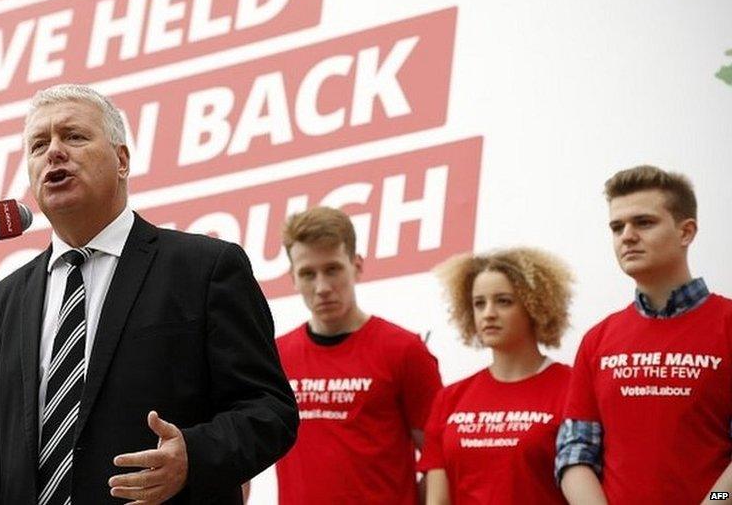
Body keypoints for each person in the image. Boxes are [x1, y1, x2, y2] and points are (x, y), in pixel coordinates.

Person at [0, 84, 298, 504]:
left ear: (121, 160)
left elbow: (268, 409)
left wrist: (194, 456)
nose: (54, 153)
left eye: (74, 136)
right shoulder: (4, 300)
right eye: (38, 145)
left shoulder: (203, 268)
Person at [557, 165, 732, 504]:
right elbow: (575, 450)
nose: (627, 236)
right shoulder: (598, 339)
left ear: (686, 232)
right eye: (616, 227)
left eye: (644, 222)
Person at [273, 206, 442, 504]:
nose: (322, 287)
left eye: (333, 269)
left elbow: (440, 459)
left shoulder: (403, 349)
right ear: (293, 278)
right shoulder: (276, 356)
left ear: (357, 265)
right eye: (308, 273)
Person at [419, 247, 573, 504]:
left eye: (503, 301)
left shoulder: (571, 387)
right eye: (479, 303)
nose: (488, 313)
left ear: (535, 306)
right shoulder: (450, 399)